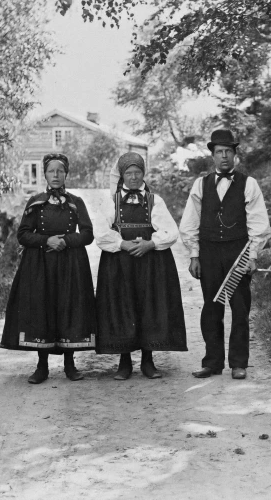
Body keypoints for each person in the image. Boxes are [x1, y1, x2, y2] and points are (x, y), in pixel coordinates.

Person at [179, 129, 269, 380]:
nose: (224, 157)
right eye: (219, 152)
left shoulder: (248, 184)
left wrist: (252, 256)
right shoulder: (201, 184)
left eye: (229, 151)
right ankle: (212, 362)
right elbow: (189, 223)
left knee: (239, 308)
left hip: (237, 252)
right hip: (208, 253)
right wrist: (194, 255)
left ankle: (239, 363)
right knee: (211, 307)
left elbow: (259, 224)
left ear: (235, 154)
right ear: (213, 156)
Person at [0, 153, 97, 384]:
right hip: (40, 265)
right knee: (42, 310)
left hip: (70, 265)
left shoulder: (76, 202)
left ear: (66, 175)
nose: (56, 175)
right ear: (44, 174)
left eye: (60, 171)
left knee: (68, 308)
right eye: (51, 171)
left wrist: (65, 241)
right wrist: (47, 241)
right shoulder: (35, 202)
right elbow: (23, 235)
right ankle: (41, 367)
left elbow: (87, 234)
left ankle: (70, 365)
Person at [95, 152, 187, 379]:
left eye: (138, 173)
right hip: (119, 264)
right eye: (129, 173)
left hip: (150, 263)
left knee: (149, 307)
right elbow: (101, 234)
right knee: (122, 307)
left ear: (144, 174)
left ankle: (148, 361)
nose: (134, 177)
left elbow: (171, 231)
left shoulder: (155, 200)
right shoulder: (111, 201)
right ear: (122, 175)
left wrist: (151, 243)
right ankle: (124, 362)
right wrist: (122, 244)